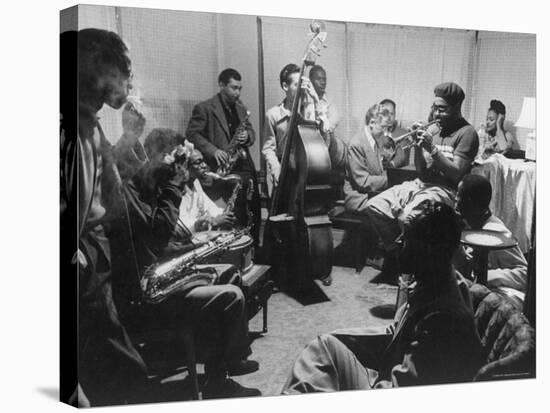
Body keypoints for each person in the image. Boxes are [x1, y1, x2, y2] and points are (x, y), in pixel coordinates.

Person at [111, 128, 261, 399]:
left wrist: (195, 247)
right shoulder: (136, 194)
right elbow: (159, 240)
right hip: (149, 295)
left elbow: (164, 239)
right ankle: (219, 380)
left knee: (229, 272)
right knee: (231, 296)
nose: (178, 167)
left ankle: (222, 368)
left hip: (160, 272)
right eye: (175, 160)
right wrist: (174, 187)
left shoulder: (148, 188)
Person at [283, 201, 483, 392]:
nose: (397, 242)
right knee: (325, 345)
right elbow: (397, 332)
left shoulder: (442, 319)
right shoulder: (442, 278)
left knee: (317, 361)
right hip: (391, 376)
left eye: (406, 238)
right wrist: (342, 338)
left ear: (429, 249)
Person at [60, 28, 149, 406]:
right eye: (123, 72)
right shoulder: (69, 126)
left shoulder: (89, 122)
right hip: (83, 260)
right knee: (123, 370)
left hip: (97, 256)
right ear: (97, 69)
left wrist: (131, 135)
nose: (127, 84)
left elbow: (112, 189)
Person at [364, 82, 479, 279]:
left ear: (457, 107)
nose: (436, 114)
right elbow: (420, 169)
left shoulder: (467, 133)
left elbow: (456, 173)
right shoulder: (434, 129)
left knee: (409, 217)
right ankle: (402, 256)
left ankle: (413, 266)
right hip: (420, 184)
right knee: (374, 206)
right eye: (434, 108)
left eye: (442, 109)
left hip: (445, 190)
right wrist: (418, 146)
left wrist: (432, 150)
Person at [185, 68, 261, 245]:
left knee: (251, 209)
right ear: (221, 85)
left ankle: (252, 243)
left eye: (240, 88)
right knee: (230, 213)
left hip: (243, 168)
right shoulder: (204, 108)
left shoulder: (241, 109)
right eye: (234, 88)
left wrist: (247, 136)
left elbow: (250, 131)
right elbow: (192, 134)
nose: (238, 92)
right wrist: (213, 150)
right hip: (222, 173)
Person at [262, 63, 346, 188]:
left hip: (305, 174)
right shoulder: (272, 115)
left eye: (302, 84)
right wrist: (276, 168)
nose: (301, 89)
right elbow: (268, 148)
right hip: (283, 173)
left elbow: (324, 135)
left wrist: (315, 100)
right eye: (297, 85)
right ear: (285, 86)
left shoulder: (308, 113)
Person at [455, 174, 528, 305]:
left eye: (458, 196)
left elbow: (524, 274)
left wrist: (486, 276)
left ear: (470, 202)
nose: (455, 201)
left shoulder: (495, 230)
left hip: (505, 299)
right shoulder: (470, 226)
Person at [344, 104, 409, 213]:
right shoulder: (356, 144)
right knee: (397, 210)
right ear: (372, 123)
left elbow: (380, 171)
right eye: (383, 127)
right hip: (359, 198)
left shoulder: (376, 140)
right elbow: (363, 182)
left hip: (373, 194)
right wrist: (393, 180)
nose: (385, 132)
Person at [174, 148, 237, 240]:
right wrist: (213, 222)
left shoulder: (195, 183)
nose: (204, 166)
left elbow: (209, 206)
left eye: (203, 161)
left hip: (199, 236)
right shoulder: (177, 191)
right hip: (185, 242)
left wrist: (224, 214)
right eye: (198, 162)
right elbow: (183, 227)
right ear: (185, 167)